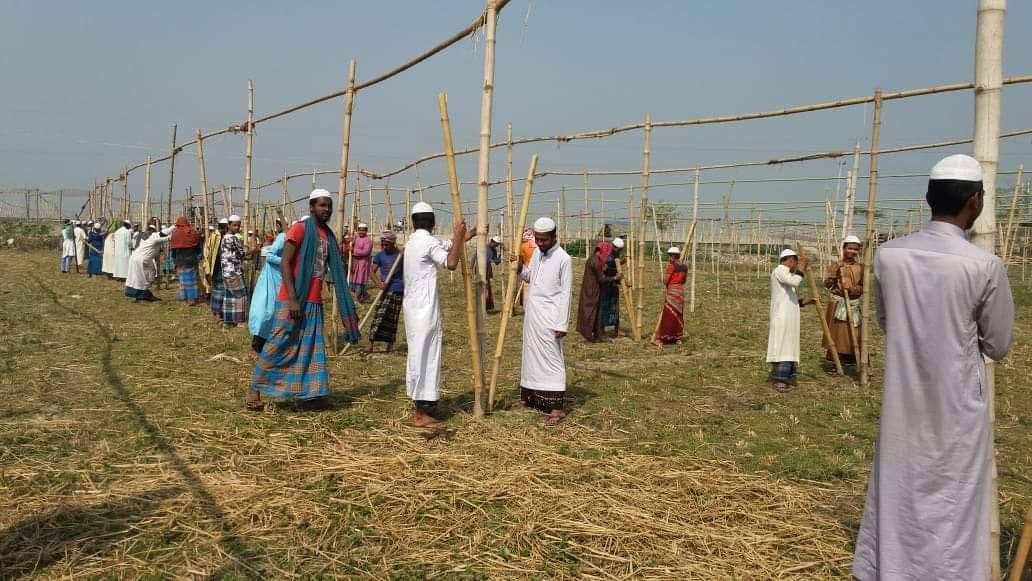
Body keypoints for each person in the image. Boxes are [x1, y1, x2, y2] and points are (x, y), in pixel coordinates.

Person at [853, 154, 1014, 581]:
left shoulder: (889, 255)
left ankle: (893, 568)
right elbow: (998, 344)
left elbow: (888, 321)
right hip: (957, 404)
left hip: (903, 397)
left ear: (929, 197)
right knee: (955, 500)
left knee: (899, 486)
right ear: (975, 201)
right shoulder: (983, 265)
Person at [248, 189, 361, 410]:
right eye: (322, 205)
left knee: (310, 350)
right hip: (293, 298)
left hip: (314, 301)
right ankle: (254, 389)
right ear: (311, 207)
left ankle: (313, 394)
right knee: (278, 344)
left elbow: (332, 270)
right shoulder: (299, 229)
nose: (326, 209)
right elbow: (285, 263)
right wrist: (292, 299)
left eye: (329, 205)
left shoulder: (327, 236)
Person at [403, 202, 469, 427]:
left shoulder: (413, 241)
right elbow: (451, 262)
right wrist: (458, 236)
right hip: (424, 310)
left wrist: (463, 236)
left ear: (413, 223)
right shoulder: (427, 242)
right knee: (427, 357)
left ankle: (421, 407)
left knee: (418, 355)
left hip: (414, 309)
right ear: (432, 222)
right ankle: (422, 413)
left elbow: (447, 245)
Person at [518, 217, 573, 425]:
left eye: (544, 240)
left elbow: (566, 293)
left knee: (553, 360)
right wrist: (519, 268)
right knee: (530, 356)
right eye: (538, 239)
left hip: (551, 318)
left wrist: (562, 324)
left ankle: (556, 408)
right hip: (533, 316)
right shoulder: (537, 254)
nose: (540, 243)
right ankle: (529, 398)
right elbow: (529, 277)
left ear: (553, 237)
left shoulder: (564, 259)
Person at [766, 248, 811, 392]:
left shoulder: (787, 275)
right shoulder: (779, 271)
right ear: (791, 261)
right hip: (782, 317)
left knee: (789, 346)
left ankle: (785, 378)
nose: (796, 266)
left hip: (789, 317)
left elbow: (789, 299)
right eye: (796, 263)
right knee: (782, 347)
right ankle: (779, 380)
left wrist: (805, 302)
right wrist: (802, 268)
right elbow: (795, 282)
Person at [822, 234, 864, 366]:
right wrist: (834, 275)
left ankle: (851, 359)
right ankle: (836, 360)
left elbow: (864, 287)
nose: (852, 251)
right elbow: (827, 284)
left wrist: (851, 290)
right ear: (844, 248)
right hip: (838, 303)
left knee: (853, 333)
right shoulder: (836, 265)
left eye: (855, 249)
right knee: (837, 333)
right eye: (850, 248)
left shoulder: (861, 268)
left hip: (853, 304)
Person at [248, 224, 288, 356]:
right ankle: (256, 346)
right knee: (266, 311)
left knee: (280, 313)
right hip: (270, 278)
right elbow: (270, 256)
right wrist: (286, 261)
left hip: (284, 279)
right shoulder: (284, 237)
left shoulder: (304, 241)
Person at [576, 240, 621, 342]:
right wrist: (614, 278)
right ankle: (588, 335)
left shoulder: (593, 259)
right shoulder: (596, 262)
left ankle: (595, 334)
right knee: (590, 312)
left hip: (589, 289)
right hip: (592, 290)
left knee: (593, 312)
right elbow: (601, 279)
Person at [368, 230, 404, 353]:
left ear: (393, 243)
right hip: (385, 290)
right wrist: (378, 283)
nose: (383, 246)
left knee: (393, 318)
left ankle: (390, 344)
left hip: (398, 289)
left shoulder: (400, 256)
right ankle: (370, 343)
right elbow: (371, 271)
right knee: (379, 316)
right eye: (382, 244)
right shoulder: (380, 255)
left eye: (386, 244)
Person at [124, 223, 176, 301]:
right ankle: (143, 295)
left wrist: (174, 226)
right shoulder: (154, 239)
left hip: (137, 258)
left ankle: (136, 294)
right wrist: (174, 235)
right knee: (141, 277)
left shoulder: (155, 236)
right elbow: (167, 238)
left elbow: (165, 232)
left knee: (137, 277)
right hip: (140, 259)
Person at [219, 215, 251, 327]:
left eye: (238, 225)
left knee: (230, 295)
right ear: (228, 225)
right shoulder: (233, 238)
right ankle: (240, 321)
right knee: (241, 295)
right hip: (234, 272)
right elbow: (241, 254)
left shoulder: (224, 238)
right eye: (234, 225)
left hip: (226, 271)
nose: (237, 227)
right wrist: (253, 250)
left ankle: (229, 320)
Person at [654, 246, 688, 345]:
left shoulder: (671, 266)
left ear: (673, 256)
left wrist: (663, 278)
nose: (669, 258)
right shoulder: (685, 267)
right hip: (680, 292)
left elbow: (665, 281)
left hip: (672, 292)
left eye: (670, 256)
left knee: (668, 314)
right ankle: (678, 338)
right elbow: (684, 280)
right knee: (678, 314)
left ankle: (663, 338)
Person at [171, 216, 203, 305]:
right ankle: (193, 299)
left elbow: (173, 250)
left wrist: (175, 261)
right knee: (192, 279)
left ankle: (184, 298)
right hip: (191, 259)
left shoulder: (175, 233)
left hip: (180, 261)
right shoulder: (192, 232)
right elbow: (198, 247)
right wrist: (198, 255)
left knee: (183, 280)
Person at [599, 237, 626, 337]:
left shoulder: (615, 256)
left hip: (613, 286)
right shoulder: (608, 256)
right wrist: (617, 277)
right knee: (605, 308)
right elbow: (608, 269)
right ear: (616, 248)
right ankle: (601, 329)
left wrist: (622, 262)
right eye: (620, 249)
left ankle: (616, 330)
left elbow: (614, 265)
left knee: (615, 308)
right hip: (606, 286)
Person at [205, 218, 228, 320]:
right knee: (219, 289)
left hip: (219, 266)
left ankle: (218, 310)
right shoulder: (216, 237)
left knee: (218, 289)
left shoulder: (216, 236)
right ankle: (217, 312)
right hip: (218, 266)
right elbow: (210, 252)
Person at [350, 223, 373, 303]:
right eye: (360, 230)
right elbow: (350, 245)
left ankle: (356, 300)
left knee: (360, 282)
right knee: (352, 284)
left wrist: (354, 250)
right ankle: (365, 296)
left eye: (363, 230)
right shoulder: (356, 239)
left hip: (363, 263)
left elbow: (366, 252)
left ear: (366, 231)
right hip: (355, 263)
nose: (361, 232)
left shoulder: (368, 241)